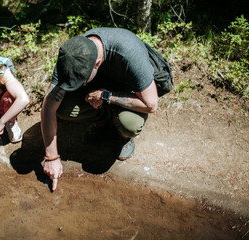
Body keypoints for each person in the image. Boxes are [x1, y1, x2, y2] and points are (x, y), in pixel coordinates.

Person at [41, 27, 172, 191]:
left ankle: (123, 136)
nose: (78, 83)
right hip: (99, 88)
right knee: (64, 108)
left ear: (96, 63)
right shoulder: (72, 55)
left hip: (129, 92)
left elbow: (151, 104)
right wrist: (51, 157)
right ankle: (102, 121)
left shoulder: (129, 53)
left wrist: (107, 96)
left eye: (80, 80)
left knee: (130, 124)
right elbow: (48, 106)